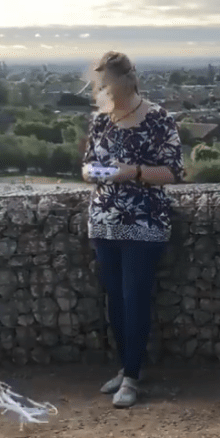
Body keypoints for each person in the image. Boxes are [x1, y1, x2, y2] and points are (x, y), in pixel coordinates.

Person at [81, 51, 184, 408]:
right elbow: (87, 167)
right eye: (99, 85)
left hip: (144, 223)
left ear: (125, 80)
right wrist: (99, 173)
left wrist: (134, 172)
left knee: (134, 297)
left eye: (105, 83)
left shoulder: (157, 118)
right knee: (115, 302)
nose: (102, 90)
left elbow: (172, 172)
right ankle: (126, 367)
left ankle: (133, 377)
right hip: (104, 222)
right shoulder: (100, 121)